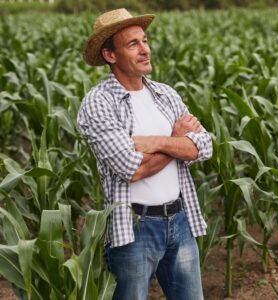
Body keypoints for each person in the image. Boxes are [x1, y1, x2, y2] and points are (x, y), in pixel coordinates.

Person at [77, 8, 212, 300]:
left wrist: (154, 142)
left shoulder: (166, 94)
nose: (145, 50)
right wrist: (177, 140)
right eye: (133, 44)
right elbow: (132, 169)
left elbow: (204, 147)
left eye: (145, 41)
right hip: (134, 229)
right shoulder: (99, 104)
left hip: (180, 220)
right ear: (110, 55)